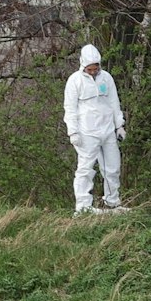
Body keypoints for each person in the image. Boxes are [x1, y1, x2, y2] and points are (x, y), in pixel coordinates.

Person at [63, 43, 126, 214]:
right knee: (85, 168)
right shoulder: (74, 81)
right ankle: (83, 205)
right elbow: (70, 108)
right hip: (86, 132)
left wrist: (119, 124)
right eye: (90, 69)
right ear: (83, 66)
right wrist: (73, 131)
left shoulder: (106, 78)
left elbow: (114, 102)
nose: (93, 72)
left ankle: (112, 201)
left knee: (113, 167)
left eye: (95, 69)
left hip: (107, 130)